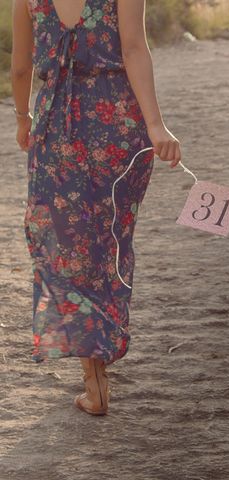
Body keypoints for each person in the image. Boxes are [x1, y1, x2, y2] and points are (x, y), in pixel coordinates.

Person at [11, 0, 181, 415]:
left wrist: (23, 118)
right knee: (109, 241)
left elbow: (19, 67)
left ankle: (94, 378)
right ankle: (102, 355)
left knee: (68, 244)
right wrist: (156, 124)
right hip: (117, 122)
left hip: (55, 126)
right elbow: (134, 49)